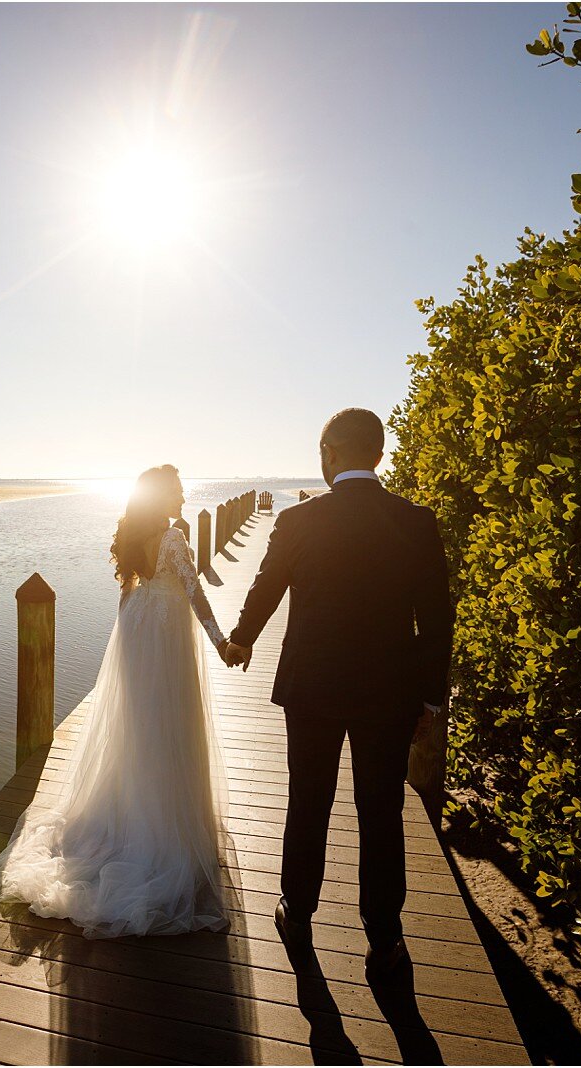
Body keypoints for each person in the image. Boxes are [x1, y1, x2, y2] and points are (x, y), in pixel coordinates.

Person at [222, 408, 452, 978]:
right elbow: (437, 620)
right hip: (390, 694)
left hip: (312, 688)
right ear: (379, 456)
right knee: (382, 812)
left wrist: (242, 639)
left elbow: (266, 586)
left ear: (328, 454)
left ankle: (297, 913)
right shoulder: (417, 521)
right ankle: (384, 937)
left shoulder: (301, 521)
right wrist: (430, 701)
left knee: (309, 802)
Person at [0, 464, 236, 938]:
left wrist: (123, 649)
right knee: (169, 725)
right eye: (178, 489)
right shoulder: (173, 538)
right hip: (165, 638)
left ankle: (131, 811)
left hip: (138, 631)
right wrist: (221, 640)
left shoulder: (131, 533)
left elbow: (126, 596)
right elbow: (195, 592)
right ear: (161, 495)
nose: (183, 495)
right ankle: (165, 832)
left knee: (137, 726)